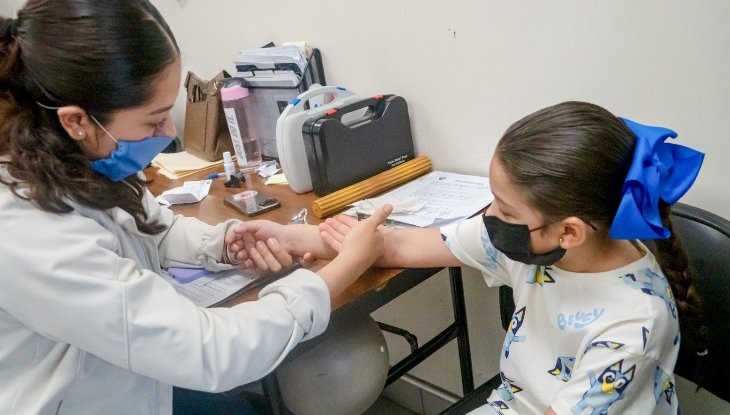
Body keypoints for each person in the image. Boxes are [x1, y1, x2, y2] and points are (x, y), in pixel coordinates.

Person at [0, 1, 392, 414]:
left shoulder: (76, 156)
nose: (169, 132)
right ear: (76, 120)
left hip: (124, 377)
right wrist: (342, 269)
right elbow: (213, 352)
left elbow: (157, 227)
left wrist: (221, 244)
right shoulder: (25, 230)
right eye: (154, 121)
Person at [230, 101, 709, 414]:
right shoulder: (538, 248)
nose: (488, 215)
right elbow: (401, 244)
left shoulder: (632, 325)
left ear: (569, 232)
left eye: (503, 207)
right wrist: (302, 237)